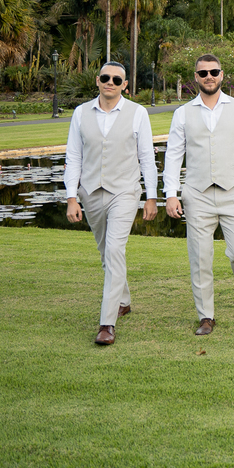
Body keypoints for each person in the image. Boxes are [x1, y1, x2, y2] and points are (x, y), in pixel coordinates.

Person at [164, 54, 234, 336]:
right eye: (203, 73)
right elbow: (173, 156)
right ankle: (206, 316)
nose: (209, 76)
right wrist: (171, 194)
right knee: (200, 258)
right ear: (195, 77)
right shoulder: (183, 113)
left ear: (221, 75)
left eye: (214, 72)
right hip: (197, 194)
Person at [64, 61, 158, 346]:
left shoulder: (138, 113)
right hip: (90, 192)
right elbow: (74, 157)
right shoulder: (81, 113)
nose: (110, 82)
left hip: (125, 192)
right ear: (97, 80)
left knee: (115, 249)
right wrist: (71, 197)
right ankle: (124, 300)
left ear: (125, 85)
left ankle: (107, 323)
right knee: (106, 252)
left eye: (117, 80)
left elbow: (147, 158)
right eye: (106, 77)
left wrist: (151, 197)